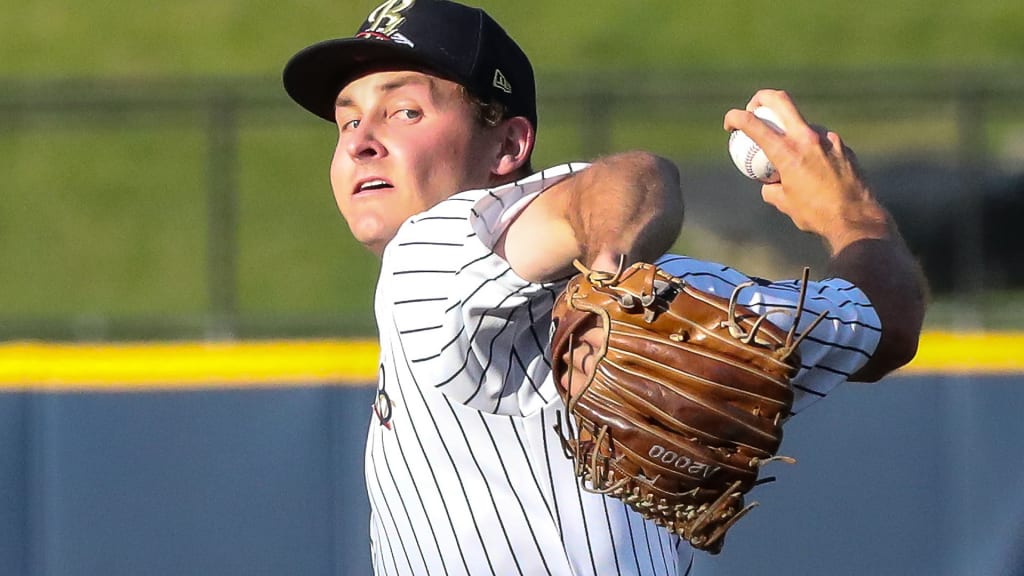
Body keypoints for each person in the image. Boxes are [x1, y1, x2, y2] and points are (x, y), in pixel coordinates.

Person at [282, 1, 927, 574]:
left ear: (509, 146)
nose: (362, 142)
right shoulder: (685, 303)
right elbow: (888, 320)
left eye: (404, 110)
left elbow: (631, 176)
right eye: (346, 122)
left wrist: (612, 269)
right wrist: (850, 214)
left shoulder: (423, 257)